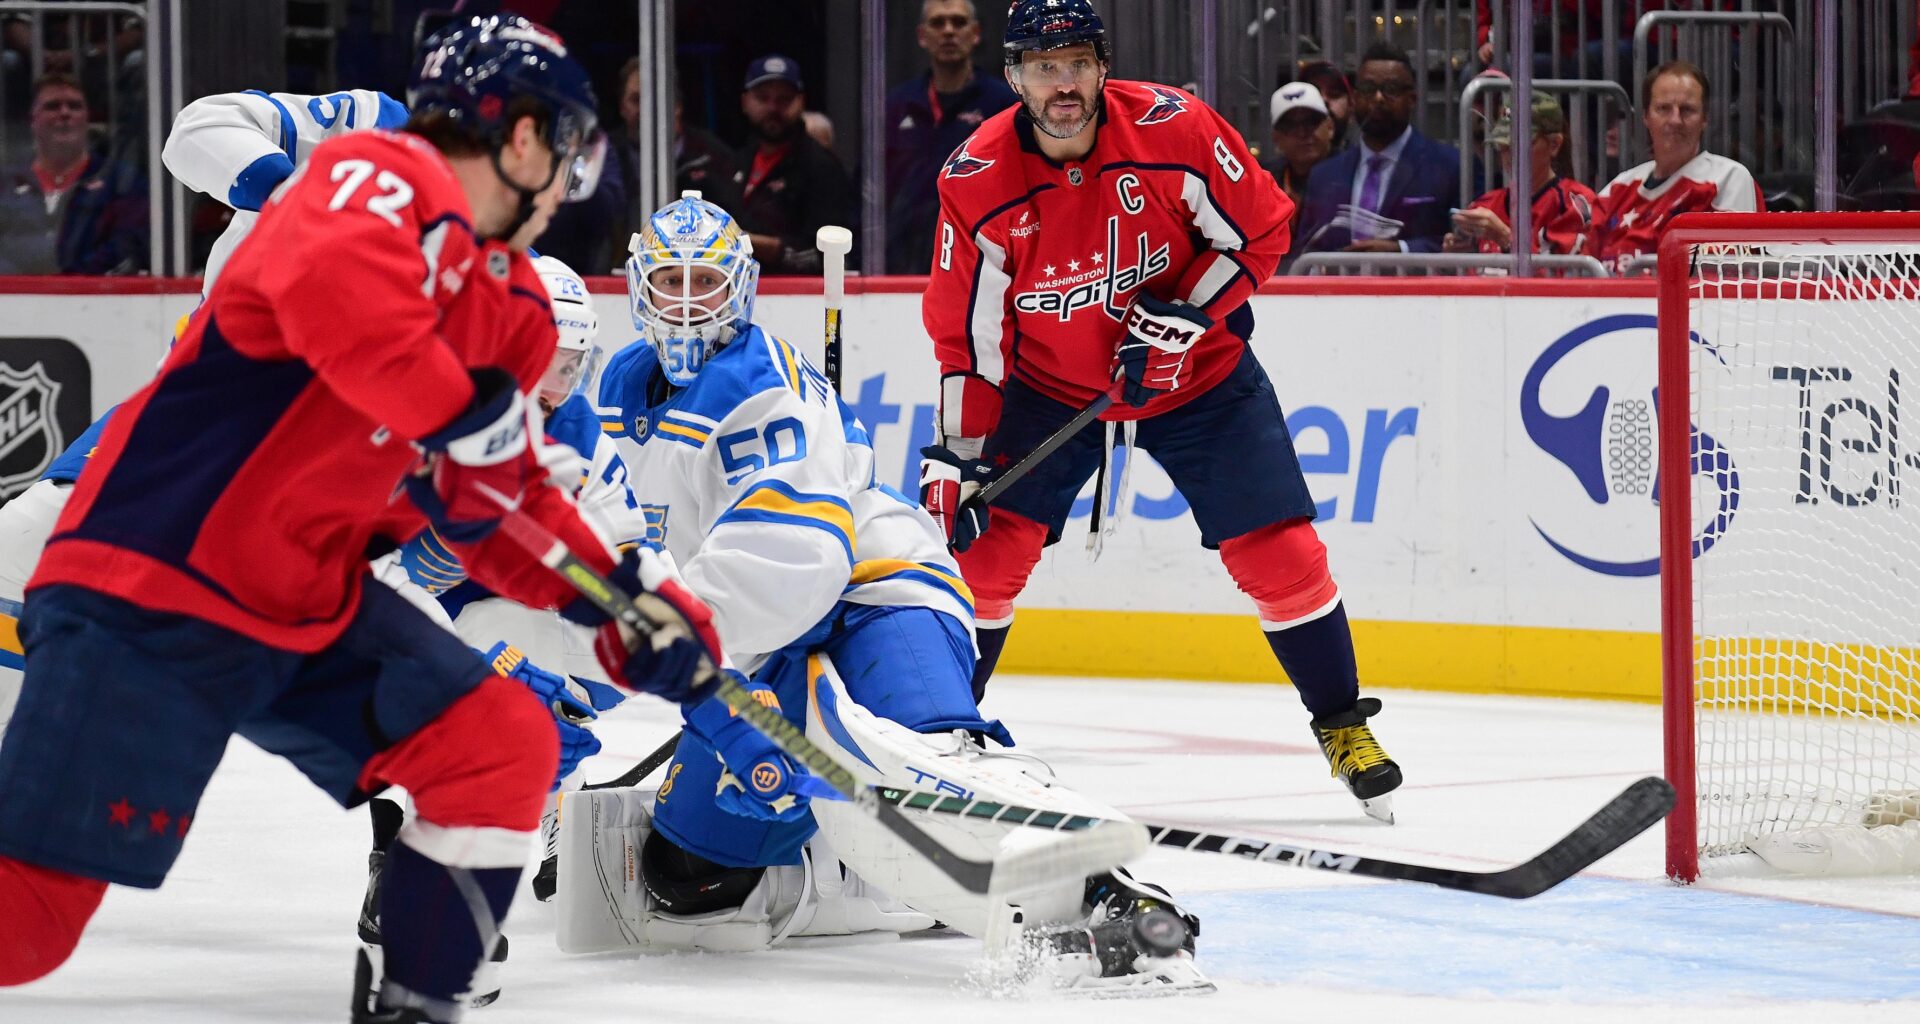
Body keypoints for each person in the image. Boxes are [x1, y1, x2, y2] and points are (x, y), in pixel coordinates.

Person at [0, 19, 735, 1024]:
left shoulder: (514, 310)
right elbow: (332, 296)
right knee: (27, 929)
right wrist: (458, 413)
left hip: (305, 604)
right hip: (157, 577)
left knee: (500, 747)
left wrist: (616, 601)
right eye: (566, 152)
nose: (570, 185)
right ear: (521, 140)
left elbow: (495, 501)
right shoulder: (375, 175)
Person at [578, 192, 1209, 992]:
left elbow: (790, 570)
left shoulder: (759, 390)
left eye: (708, 283)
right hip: (750, 636)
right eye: (671, 283)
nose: (688, 303)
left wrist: (691, 667)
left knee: (929, 759)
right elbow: (609, 558)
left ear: (742, 287)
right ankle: (856, 867)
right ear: (638, 288)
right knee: (683, 879)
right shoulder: (617, 390)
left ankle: (1111, 899)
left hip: (873, 594)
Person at [917, 0, 1403, 822]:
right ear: (1013, 78)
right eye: (1042, 66)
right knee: (983, 562)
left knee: (1280, 554)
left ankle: (1343, 726)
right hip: (1049, 390)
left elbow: (1258, 233)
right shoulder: (976, 179)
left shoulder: (1174, 129)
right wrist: (960, 452)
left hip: (1203, 378)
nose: (1061, 82)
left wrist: (1186, 312)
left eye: (1075, 62)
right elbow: (969, 336)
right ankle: (938, 739)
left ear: (1102, 65)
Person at [883, 0, 1018, 274]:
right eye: (937, 23)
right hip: (903, 262)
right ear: (922, 35)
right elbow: (873, 186)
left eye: (958, 22)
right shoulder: (897, 105)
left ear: (976, 33)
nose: (948, 31)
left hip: (979, 259)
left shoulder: (1004, 104)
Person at [1292, 43, 1462, 258]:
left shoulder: (1450, 167)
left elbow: (1467, 246)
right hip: (1338, 290)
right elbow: (1306, 251)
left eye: (1391, 89)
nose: (1378, 98)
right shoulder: (1324, 175)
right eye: (1368, 89)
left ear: (1412, 99)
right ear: (1354, 99)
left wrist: (1401, 251)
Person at [1593, 61, 1762, 273]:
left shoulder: (1728, 179)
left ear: (1705, 119)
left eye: (1687, 110)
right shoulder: (1619, 187)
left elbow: (1723, 277)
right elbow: (1581, 268)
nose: (1675, 120)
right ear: (1645, 116)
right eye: (1664, 109)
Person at [0, 72, 147, 274]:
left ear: (87, 118)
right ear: (32, 120)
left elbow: (127, 246)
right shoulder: (5, 183)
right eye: (52, 106)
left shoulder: (121, 182)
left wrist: (69, 282)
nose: (65, 113)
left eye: (74, 106)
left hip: (94, 299)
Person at [729, 54, 857, 275]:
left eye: (784, 99)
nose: (773, 107)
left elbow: (829, 256)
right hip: (736, 291)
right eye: (763, 98)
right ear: (745, 102)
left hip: (797, 297)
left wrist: (747, 242)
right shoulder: (734, 160)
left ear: (801, 102)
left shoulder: (821, 167)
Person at [1443, 94, 1598, 259]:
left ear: (1554, 144)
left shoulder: (1576, 205)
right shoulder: (1483, 206)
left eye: (1521, 142)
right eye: (1503, 142)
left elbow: (1567, 278)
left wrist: (1506, 239)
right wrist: (1453, 261)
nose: (1508, 151)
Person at [1261, 80, 1335, 210]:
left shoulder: (1354, 175)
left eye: (1311, 121)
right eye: (1290, 125)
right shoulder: (1263, 183)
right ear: (1276, 137)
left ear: (1330, 127)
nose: (1302, 133)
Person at [1294, 60, 1352, 151]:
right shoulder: (1273, 165)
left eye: (1334, 94)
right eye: (1313, 93)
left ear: (1351, 110)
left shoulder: (1361, 164)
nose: (1323, 100)